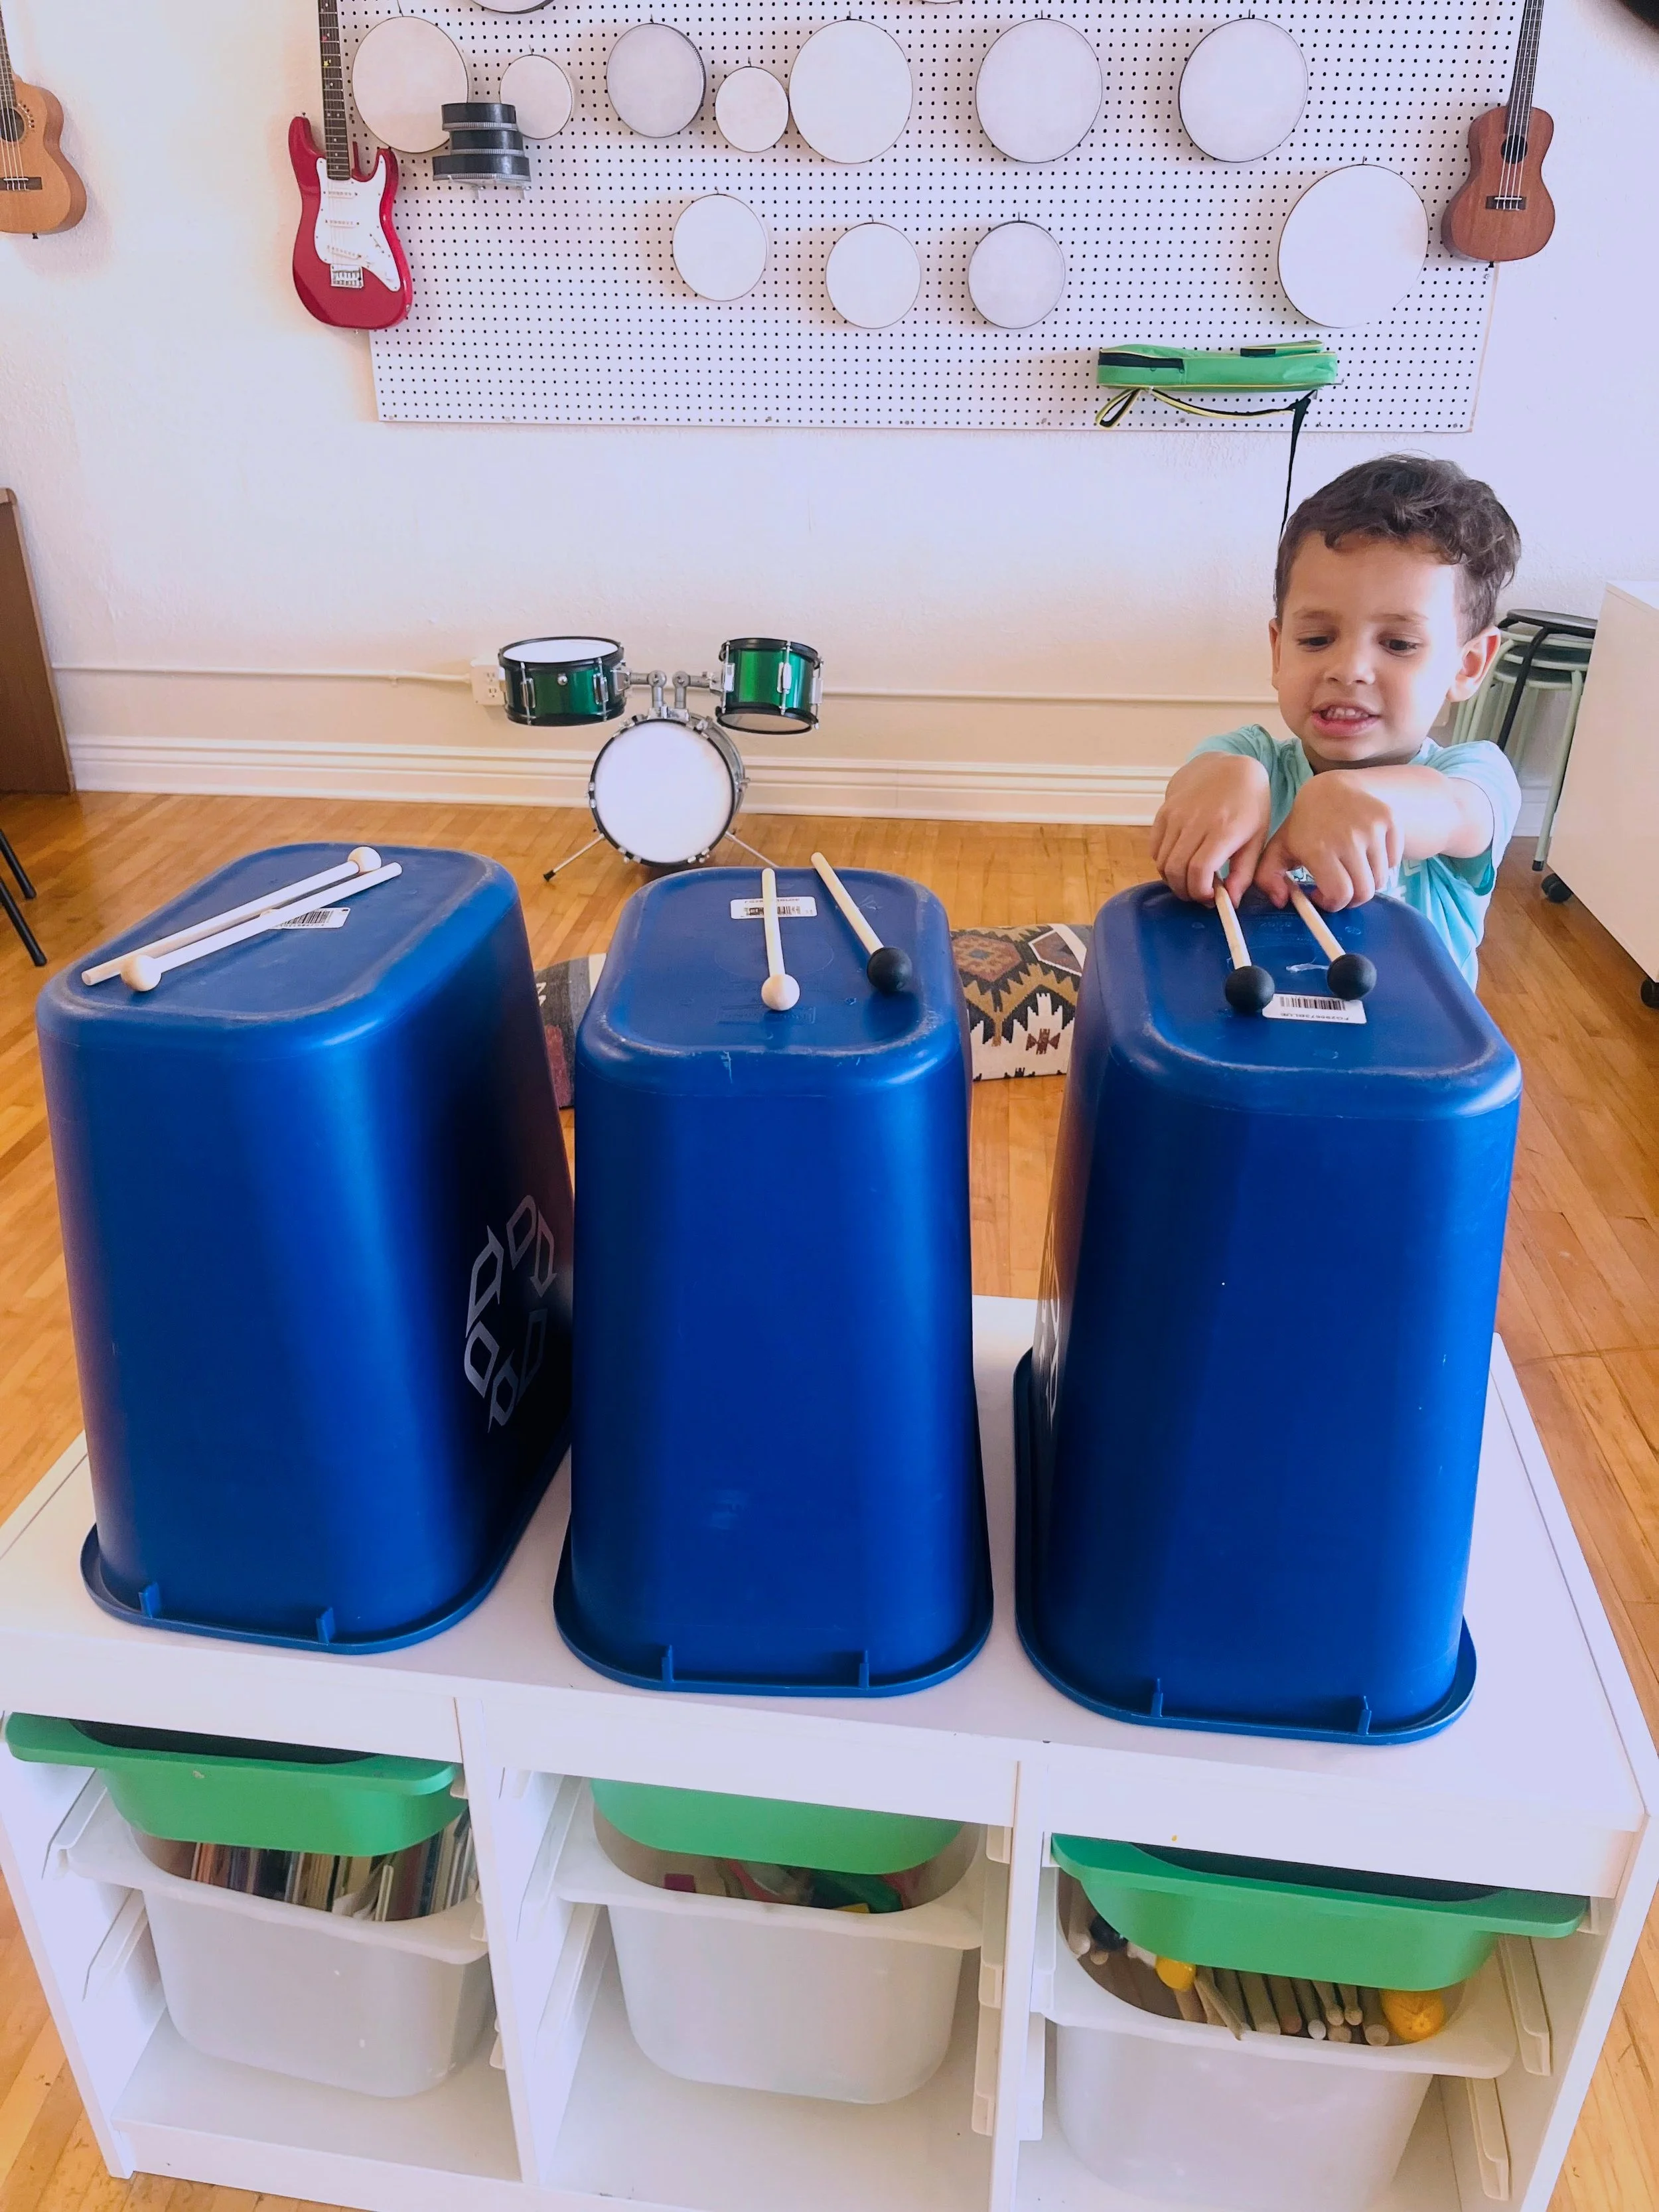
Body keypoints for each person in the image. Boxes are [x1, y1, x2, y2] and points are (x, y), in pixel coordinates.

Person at [1150, 455, 1523, 984]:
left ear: (1467, 666)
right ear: (1279, 651)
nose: (1348, 669)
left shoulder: (1475, 777)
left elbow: (1454, 810)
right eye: (1317, 639)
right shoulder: (1249, 758)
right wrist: (1216, 784)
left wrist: (1349, 797)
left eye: (1399, 644)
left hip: (1410, 1037)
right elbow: (1198, 779)